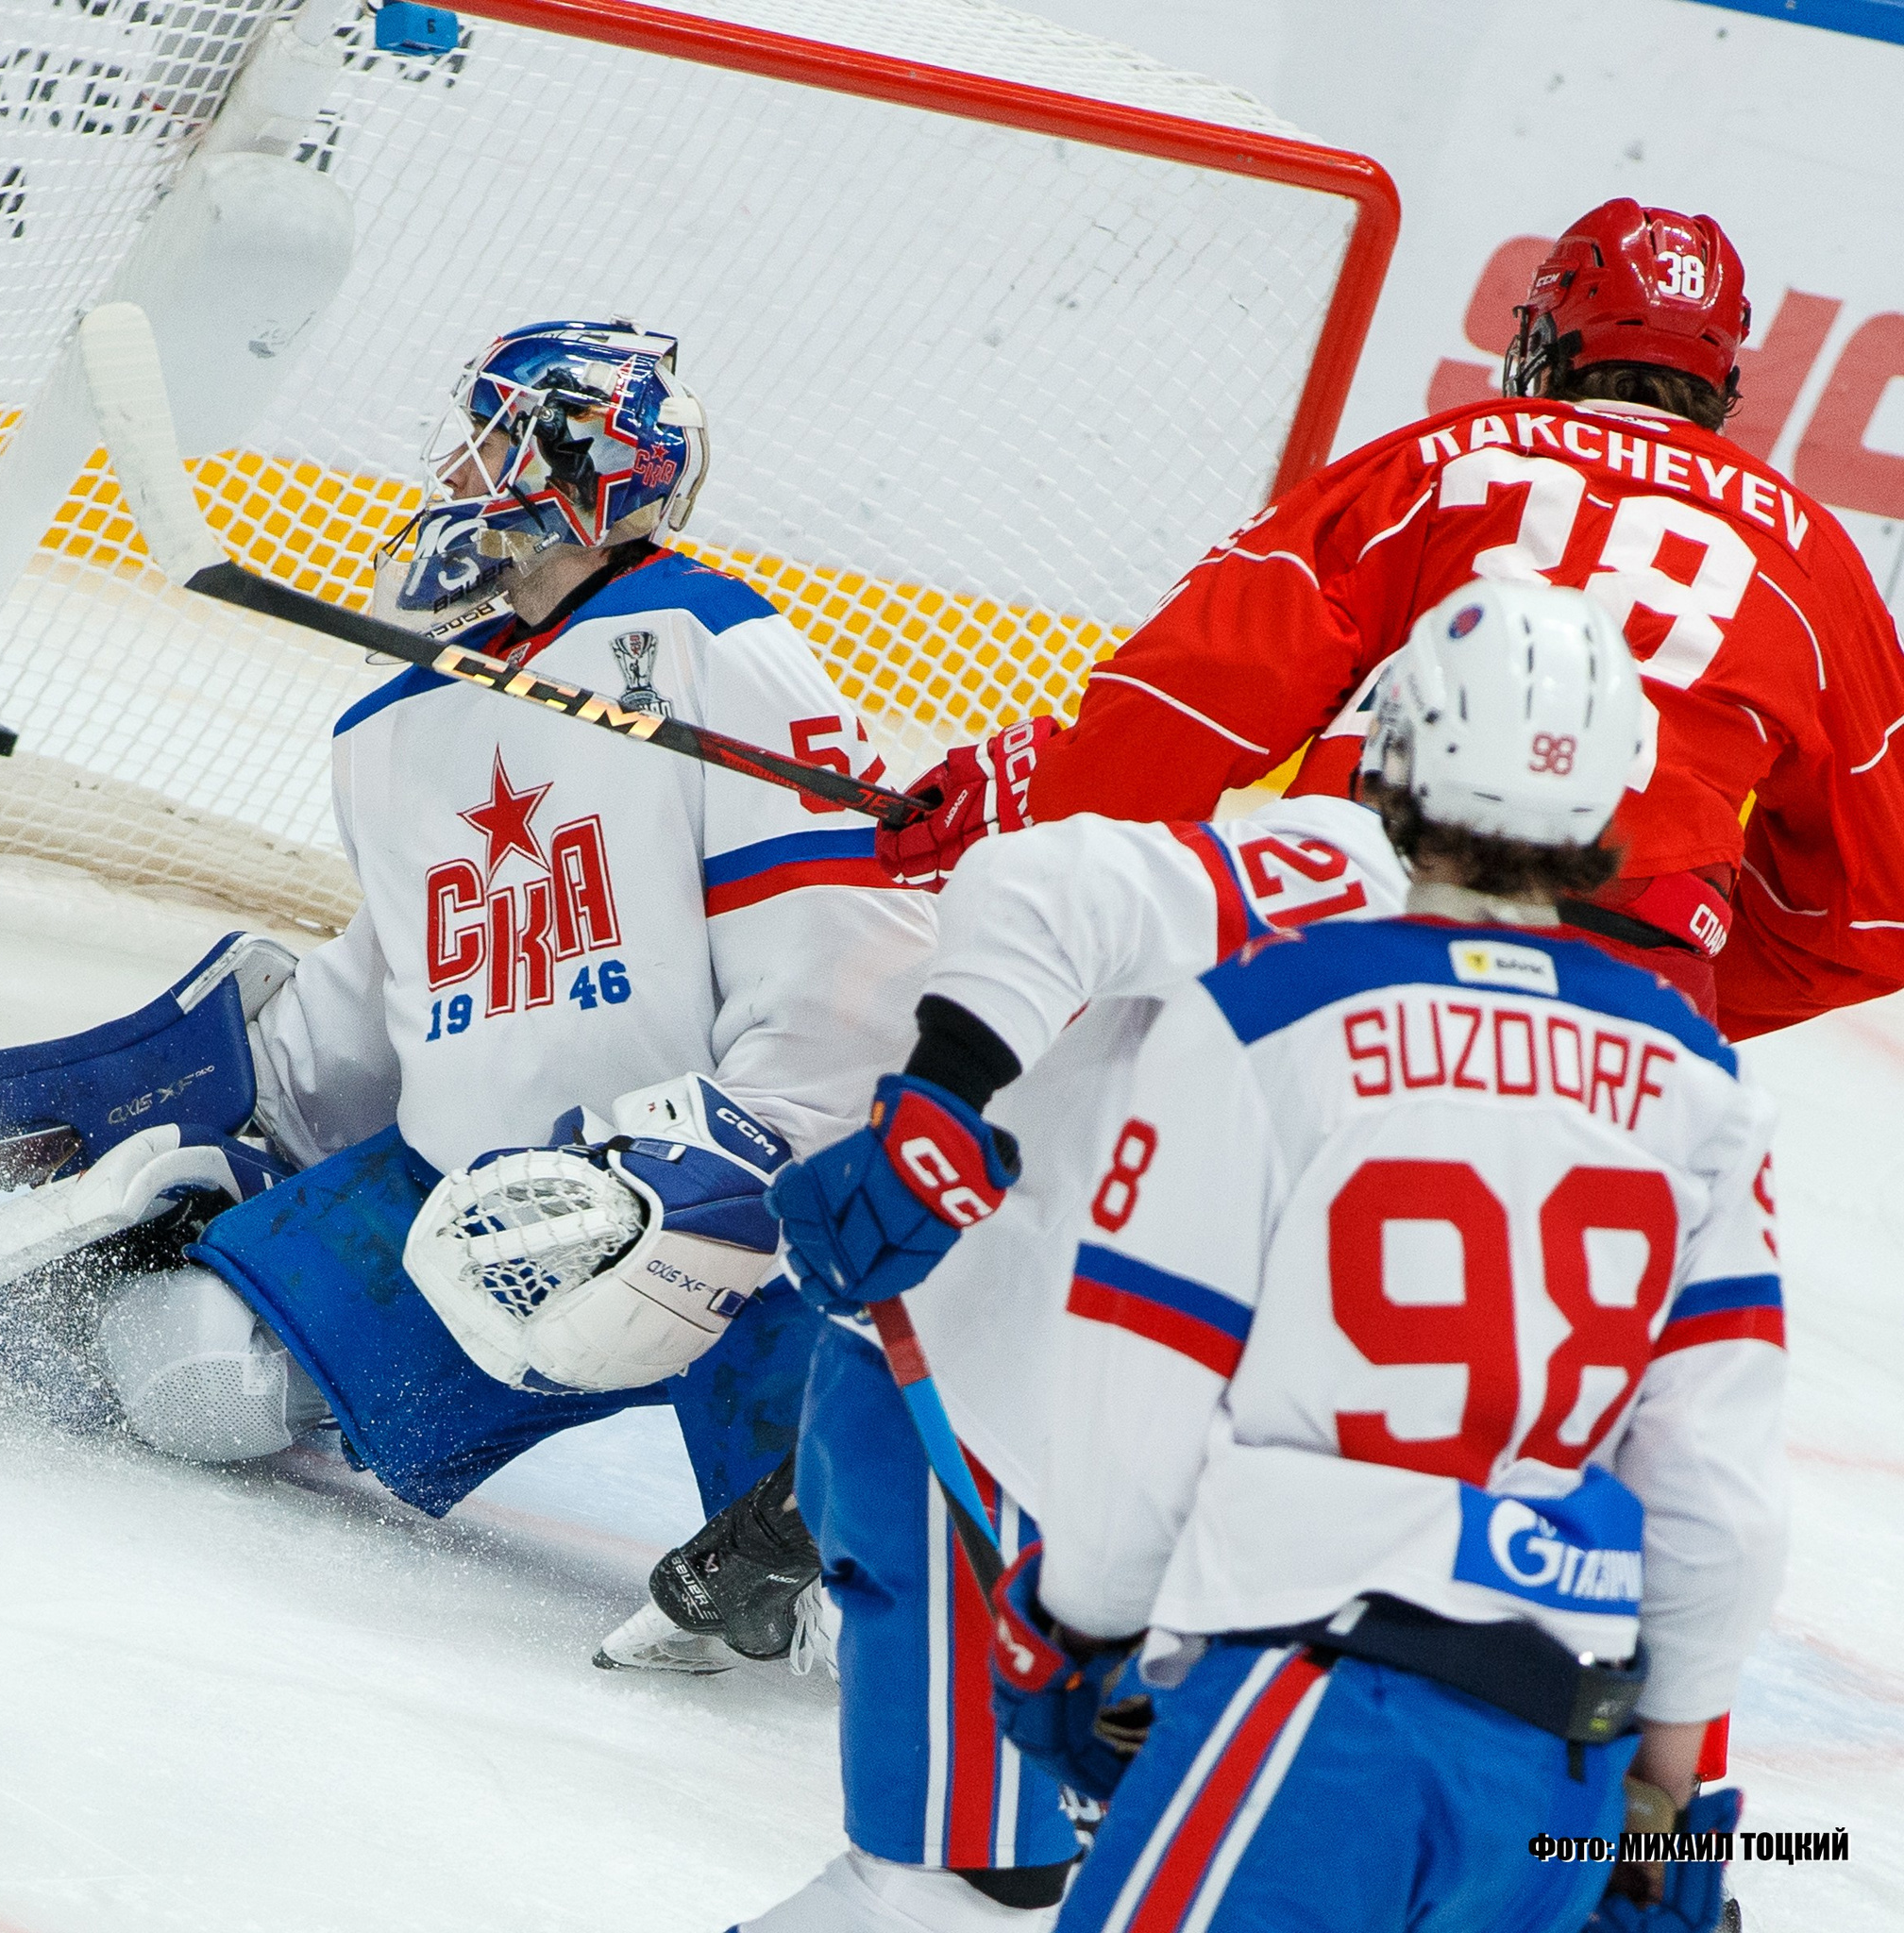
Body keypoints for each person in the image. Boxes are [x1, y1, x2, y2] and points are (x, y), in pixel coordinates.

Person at [784, 581, 1785, 1932]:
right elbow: (1718, 1501)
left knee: (961, 1880)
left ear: (1387, 752)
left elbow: (1151, 1394)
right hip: (1561, 1741)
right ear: (1620, 810)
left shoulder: (1275, 1012)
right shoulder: (1700, 1082)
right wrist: (1679, 1806)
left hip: (1308, 1686)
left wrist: (1081, 1636)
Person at [0, 319, 933, 1533]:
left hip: (742, 1216)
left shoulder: (709, 647)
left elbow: (851, 936)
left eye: (486, 443)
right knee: (186, 1370)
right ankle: (329, 1337)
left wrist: (758, 1158)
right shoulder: (395, 717)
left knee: (852, 1571)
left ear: (576, 464)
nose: (450, 478)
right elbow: (417, 981)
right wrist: (240, 1105)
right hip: (482, 1213)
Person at [880, 198, 1904, 1039]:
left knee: (1098, 1173)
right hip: (1636, 1003)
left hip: (1358, 910)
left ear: (1546, 339)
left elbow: (1200, 692)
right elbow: (1874, 912)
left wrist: (1048, 792)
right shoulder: (1813, 560)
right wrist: (1677, 980)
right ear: (1721, 381)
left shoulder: (1442, 460)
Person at [698, 750, 1408, 1925]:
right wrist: (937, 1104)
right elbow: (1050, 883)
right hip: (981, 1417)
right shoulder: (1351, 869)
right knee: (965, 1875)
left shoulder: (1538, 1004)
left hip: (1145, 1492)